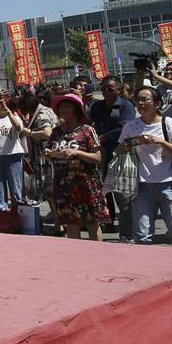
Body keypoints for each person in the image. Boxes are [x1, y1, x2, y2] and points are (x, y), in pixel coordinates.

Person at [118, 86, 172, 248]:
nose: (141, 103)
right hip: (140, 185)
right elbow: (119, 149)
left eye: (145, 99)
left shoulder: (169, 123)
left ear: (157, 103)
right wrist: (128, 145)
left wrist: (161, 142)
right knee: (142, 234)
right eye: (138, 100)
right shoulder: (131, 126)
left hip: (168, 183)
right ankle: (145, 270)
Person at [44, 93, 108, 241]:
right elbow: (51, 153)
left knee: (93, 223)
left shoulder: (87, 130)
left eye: (68, 106)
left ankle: (98, 256)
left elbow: (98, 158)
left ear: (76, 109)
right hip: (63, 186)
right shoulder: (56, 132)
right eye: (61, 107)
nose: (63, 110)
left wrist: (77, 153)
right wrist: (48, 153)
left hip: (86, 184)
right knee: (71, 224)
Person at [90, 76, 136, 237]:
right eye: (103, 89)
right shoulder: (96, 106)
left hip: (120, 151)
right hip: (101, 151)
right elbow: (90, 124)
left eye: (110, 89)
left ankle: (128, 232)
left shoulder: (126, 106)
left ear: (118, 89)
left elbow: (124, 127)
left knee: (122, 191)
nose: (106, 92)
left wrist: (102, 137)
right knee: (103, 188)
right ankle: (108, 221)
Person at [19, 88, 60, 232]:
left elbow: (47, 133)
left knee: (51, 192)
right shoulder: (45, 110)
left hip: (47, 158)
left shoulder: (41, 114)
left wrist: (29, 132)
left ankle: (58, 225)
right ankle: (59, 223)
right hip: (46, 157)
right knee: (52, 192)